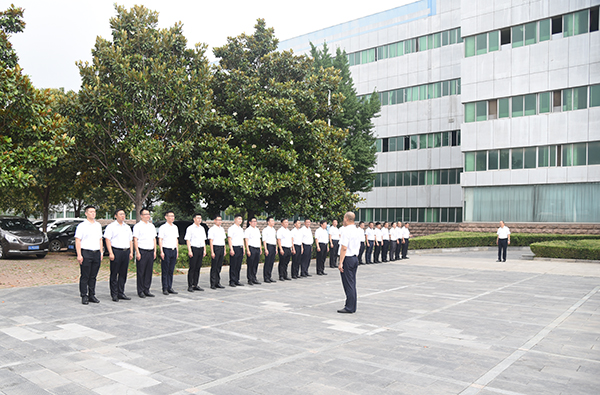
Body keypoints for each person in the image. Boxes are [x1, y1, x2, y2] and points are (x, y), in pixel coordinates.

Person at [75, 205, 103, 305]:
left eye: (94, 212)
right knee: (85, 275)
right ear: (86, 213)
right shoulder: (82, 226)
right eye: (91, 212)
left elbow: (100, 239)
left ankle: (92, 294)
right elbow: (78, 240)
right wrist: (79, 254)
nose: (93, 213)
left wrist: (101, 252)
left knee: (93, 276)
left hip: (96, 252)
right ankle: (84, 295)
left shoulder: (98, 225)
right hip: (86, 252)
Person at [104, 208, 133, 302]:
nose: (123, 216)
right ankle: (114, 294)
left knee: (123, 273)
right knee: (114, 273)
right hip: (116, 251)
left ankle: (121, 292)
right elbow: (107, 239)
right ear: (116, 216)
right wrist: (110, 252)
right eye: (120, 214)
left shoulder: (127, 227)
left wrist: (131, 252)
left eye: (124, 214)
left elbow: (130, 240)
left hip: (126, 251)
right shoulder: (111, 226)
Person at [337, 211, 361, 314]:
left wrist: (340, 262)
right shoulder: (357, 230)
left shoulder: (346, 231)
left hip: (348, 258)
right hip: (354, 258)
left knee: (348, 284)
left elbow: (344, 247)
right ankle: (352, 305)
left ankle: (349, 307)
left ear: (346, 218)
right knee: (352, 283)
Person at [133, 207, 157, 298]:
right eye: (145, 214)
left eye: (148, 214)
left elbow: (154, 239)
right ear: (141, 216)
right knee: (141, 271)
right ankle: (140, 291)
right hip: (142, 251)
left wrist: (155, 250)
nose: (148, 216)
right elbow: (135, 239)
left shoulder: (152, 226)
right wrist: (137, 252)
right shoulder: (138, 226)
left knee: (148, 271)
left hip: (150, 251)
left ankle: (147, 289)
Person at [158, 211, 179, 295]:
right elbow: (160, 239)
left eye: (173, 216)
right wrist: (161, 251)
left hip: (173, 250)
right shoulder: (163, 227)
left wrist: (177, 250)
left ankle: (170, 287)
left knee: (171, 270)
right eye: (170, 216)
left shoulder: (175, 227)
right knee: (165, 270)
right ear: (166, 217)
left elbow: (176, 239)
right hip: (166, 250)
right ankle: (165, 288)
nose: (172, 218)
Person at [185, 213, 206, 292]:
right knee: (192, 268)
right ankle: (190, 285)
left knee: (198, 268)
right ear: (194, 219)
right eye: (198, 218)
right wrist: (189, 250)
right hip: (194, 249)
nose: (199, 220)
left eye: (200, 218)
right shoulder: (190, 228)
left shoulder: (202, 228)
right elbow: (188, 240)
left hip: (200, 249)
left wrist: (204, 250)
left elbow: (203, 240)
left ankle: (195, 284)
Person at [208, 215, 226, 289]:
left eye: (220, 220)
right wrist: (212, 251)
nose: (219, 222)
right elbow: (211, 241)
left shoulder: (222, 229)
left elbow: (224, 240)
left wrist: (224, 250)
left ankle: (217, 282)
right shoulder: (212, 229)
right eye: (218, 220)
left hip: (221, 247)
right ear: (215, 220)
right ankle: (212, 283)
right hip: (216, 247)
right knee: (214, 266)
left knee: (219, 266)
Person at [227, 214, 245, 287]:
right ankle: (232, 281)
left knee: (238, 265)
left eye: (241, 219)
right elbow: (229, 238)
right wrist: (231, 249)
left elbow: (242, 239)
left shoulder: (241, 229)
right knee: (233, 265)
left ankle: (237, 280)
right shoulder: (231, 228)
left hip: (240, 248)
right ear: (235, 219)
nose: (240, 220)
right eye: (238, 219)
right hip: (234, 248)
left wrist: (243, 248)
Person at [244, 217, 262, 285]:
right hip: (251, 248)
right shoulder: (248, 230)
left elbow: (259, 239)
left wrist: (260, 248)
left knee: (255, 264)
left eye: (255, 221)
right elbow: (246, 240)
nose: (254, 223)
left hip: (257, 248)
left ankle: (254, 278)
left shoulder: (257, 229)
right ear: (250, 222)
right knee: (250, 264)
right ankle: (250, 279)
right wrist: (248, 250)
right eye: (253, 221)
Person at [262, 217, 277, 283]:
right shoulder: (265, 230)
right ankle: (266, 277)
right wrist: (266, 249)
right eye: (272, 221)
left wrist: (276, 248)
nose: (273, 222)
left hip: (273, 246)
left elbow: (275, 239)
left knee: (271, 262)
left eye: (273, 221)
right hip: (268, 246)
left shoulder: (273, 229)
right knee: (267, 262)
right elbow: (264, 240)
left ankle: (269, 276)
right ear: (268, 222)